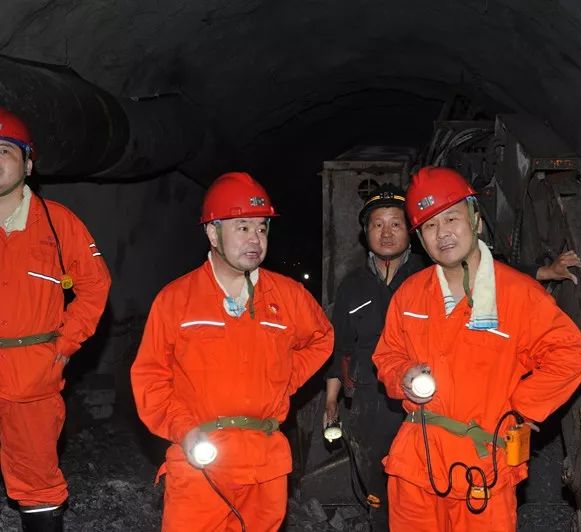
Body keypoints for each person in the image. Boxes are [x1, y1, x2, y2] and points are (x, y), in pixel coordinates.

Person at [372, 166, 581, 531]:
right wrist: (402, 374)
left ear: (475, 219)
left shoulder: (518, 294)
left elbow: (571, 353)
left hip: (483, 466)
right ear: (420, 239)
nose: (442, 233)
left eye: (451, 218)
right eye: (429, 225)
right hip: (415, 463)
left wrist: (522, 407)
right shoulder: (410, 294)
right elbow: (387, 354)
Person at [130, 172, 333, 531]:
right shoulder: (176, 300)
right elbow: (150, 377)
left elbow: (321, 338)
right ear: (213, 233)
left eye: (262, 228)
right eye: (243, 227)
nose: (255, 239)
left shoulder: (289, 297)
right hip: (200, 461)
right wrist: (182, 428)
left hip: (265, 462)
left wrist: (283, 378)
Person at [0, 107, 111, 531]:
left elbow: (95, 285)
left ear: (28, 164)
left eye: (5, 150)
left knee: (36, 483)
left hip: (32, 375)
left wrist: (65, 344)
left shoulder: (57, 223)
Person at [323, 183, 425, 530]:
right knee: (377, 489)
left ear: (410, 231)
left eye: (396, 224)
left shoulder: (429, 276)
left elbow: (484, 273)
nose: (386, 233)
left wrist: (540, 272)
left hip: (421, 399)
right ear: (365, 233)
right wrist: (332, 401)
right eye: (377, 224)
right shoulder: (351, 286)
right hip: (369, 400)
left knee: (419, 487)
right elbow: (340, 347)